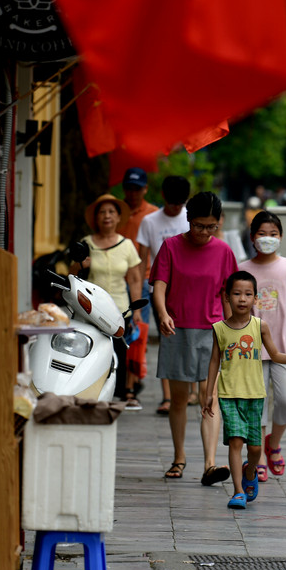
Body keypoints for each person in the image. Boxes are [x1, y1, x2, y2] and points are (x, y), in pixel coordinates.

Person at [151, 190, 237, 485]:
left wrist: (232, 329)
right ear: (188, 220)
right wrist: (162, 314)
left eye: (211, 226)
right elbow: (159, 286)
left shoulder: (224, 251)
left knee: (208, 397)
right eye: (199, 225)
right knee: (178, 398)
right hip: (177, 328)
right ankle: (179, 457)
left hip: (212, 330)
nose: (204, 232)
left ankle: (210, 464)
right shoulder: (171, 247)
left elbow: (228, 294)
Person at [203, 271, 286, 509]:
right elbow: (214, 361)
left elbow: (274, 354)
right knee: (235, 442)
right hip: (229, 395)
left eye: (247, 294)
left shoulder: (260, 326)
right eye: (236, 294)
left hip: (255, 396)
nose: (242, 299)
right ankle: (237, 492)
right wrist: (209, 392)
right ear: (227, 297)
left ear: (256, 299)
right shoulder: (219, 329)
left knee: (254, 448)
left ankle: (251, 470)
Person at [238, 210, 286, 483]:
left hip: (284, 346)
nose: (268, 239)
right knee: (257, 404)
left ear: (281, 237)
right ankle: (260, 456)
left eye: (273, 234)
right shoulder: (243, 268)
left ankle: (273, 442)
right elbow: (233, 306)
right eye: (262, 234)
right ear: (252, 238)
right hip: (250, 348)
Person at [71, 193, 144, 407]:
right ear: (96, 218)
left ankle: (120, 392)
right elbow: (72, 274)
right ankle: (90, 390)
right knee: (92, 350)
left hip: (120, 308)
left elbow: (134, 278)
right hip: (91, 309)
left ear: (118, 217)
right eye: (102, 212)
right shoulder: (86, 243)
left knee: (120, 352)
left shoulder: (127, 245)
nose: (107, 216)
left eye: (111, 211)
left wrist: (136, 308)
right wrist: (81, 263)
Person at [136, 175, 191, 415]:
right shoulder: (149, 221)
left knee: (192, 341)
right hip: (160, 290)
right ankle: (168, 397)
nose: (176, 208)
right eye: (172, 204)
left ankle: (191, 392)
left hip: (189, 289)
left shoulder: (191, 217)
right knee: (168, 342)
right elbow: (141, 261)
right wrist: (137, 297)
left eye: (180, 204)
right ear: (164, 198)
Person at [118, 167, 160, 408]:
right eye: (129, 188)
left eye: (138, 188)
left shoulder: (153, 214)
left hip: (142, 280)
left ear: (145, 189)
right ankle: (120, 380)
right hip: (115, 280)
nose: (133, 193)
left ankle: (132, 384)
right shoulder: (116, 212)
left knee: (137, 332)